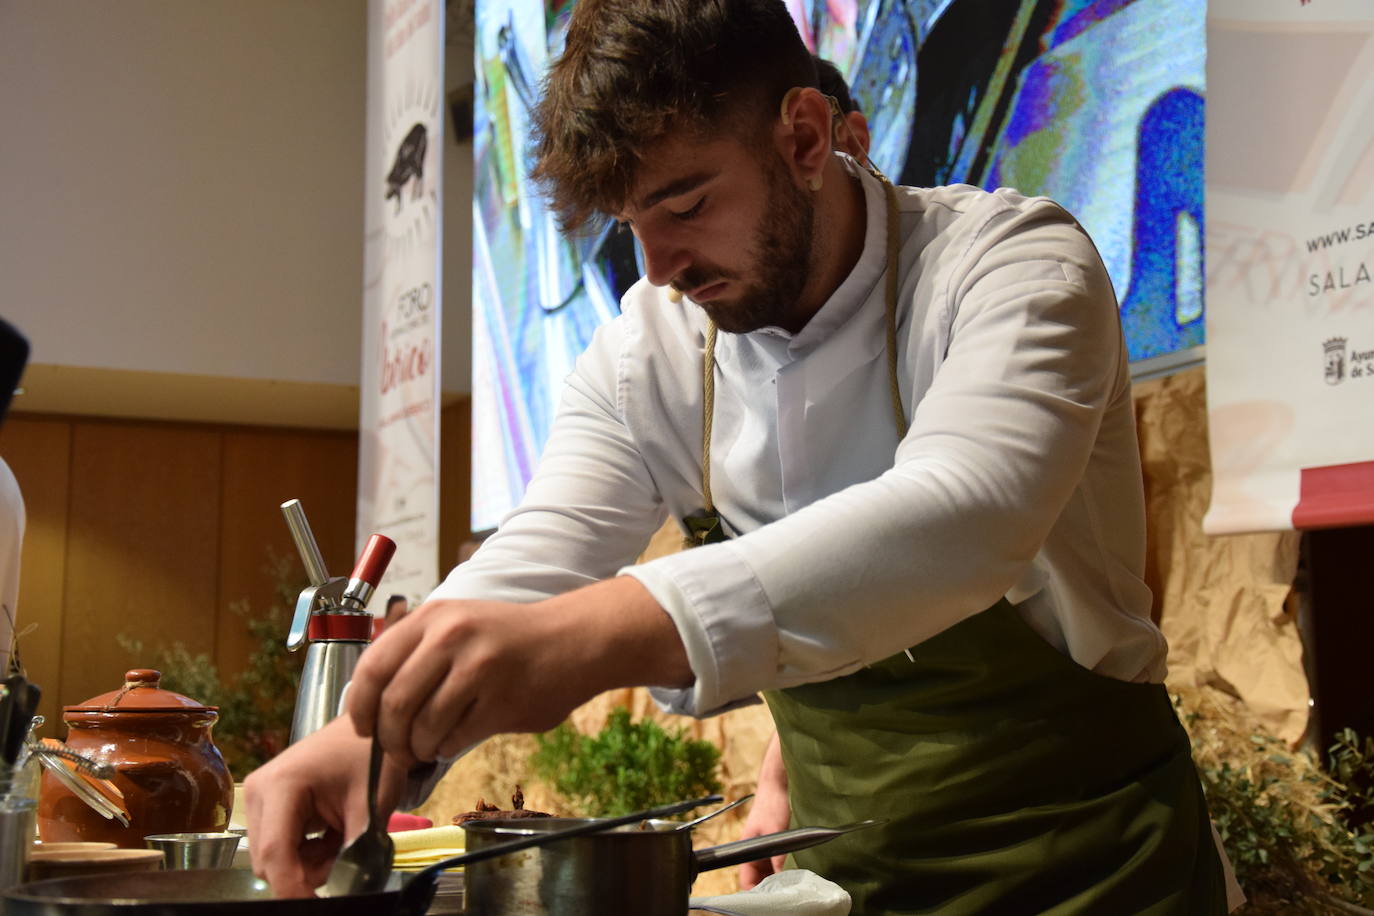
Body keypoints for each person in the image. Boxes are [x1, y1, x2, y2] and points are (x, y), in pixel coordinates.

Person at [245, 1, 1231, 910]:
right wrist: (364, 740)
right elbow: (540, 558)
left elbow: (966, 513)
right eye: (633, 226)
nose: (661, 268)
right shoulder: (650, 357)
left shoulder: (1010, 265)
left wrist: (601, 633)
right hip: (856, 884)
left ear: (802, 137)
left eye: (685, 203)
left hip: (1102, 873)